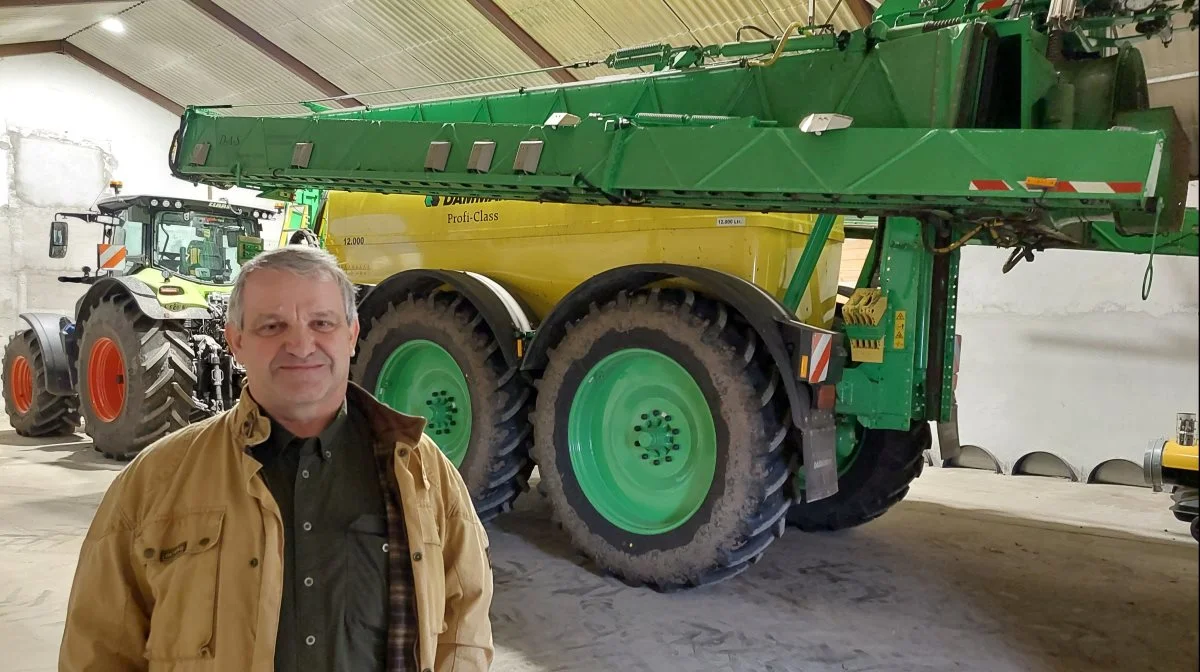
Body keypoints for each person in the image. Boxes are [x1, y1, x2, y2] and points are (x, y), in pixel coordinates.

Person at [58, 246, 494, 672]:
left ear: (351, 334)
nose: (301, 345)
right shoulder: (154, 481)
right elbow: (98, 647)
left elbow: (465, 627)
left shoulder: (424, 472)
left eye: (322, 323)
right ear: (236, 341)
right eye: (272, 326)